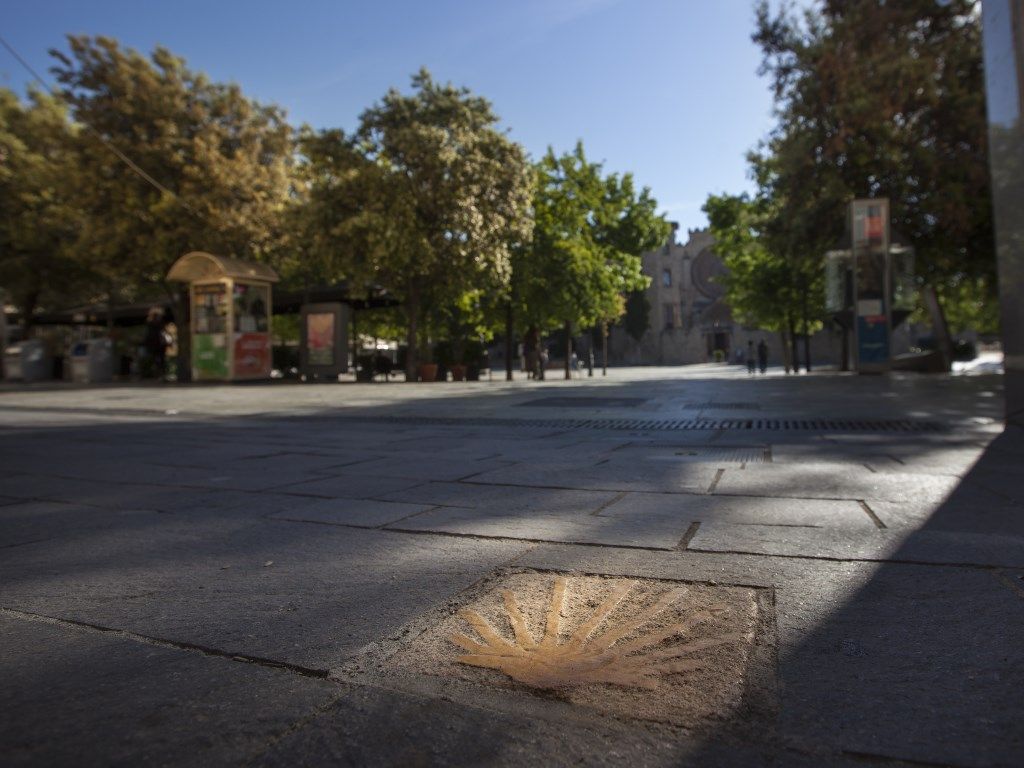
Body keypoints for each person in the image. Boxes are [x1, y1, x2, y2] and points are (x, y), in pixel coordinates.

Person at [142, 307, 168, 380]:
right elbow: (163, 331)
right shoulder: (159, 322)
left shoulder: (149, 322)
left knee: (156, 359)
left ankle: (158, 374)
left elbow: (147, 334)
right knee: (161, 359)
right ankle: (161, 374)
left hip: (153, 343)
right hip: (159, 343)